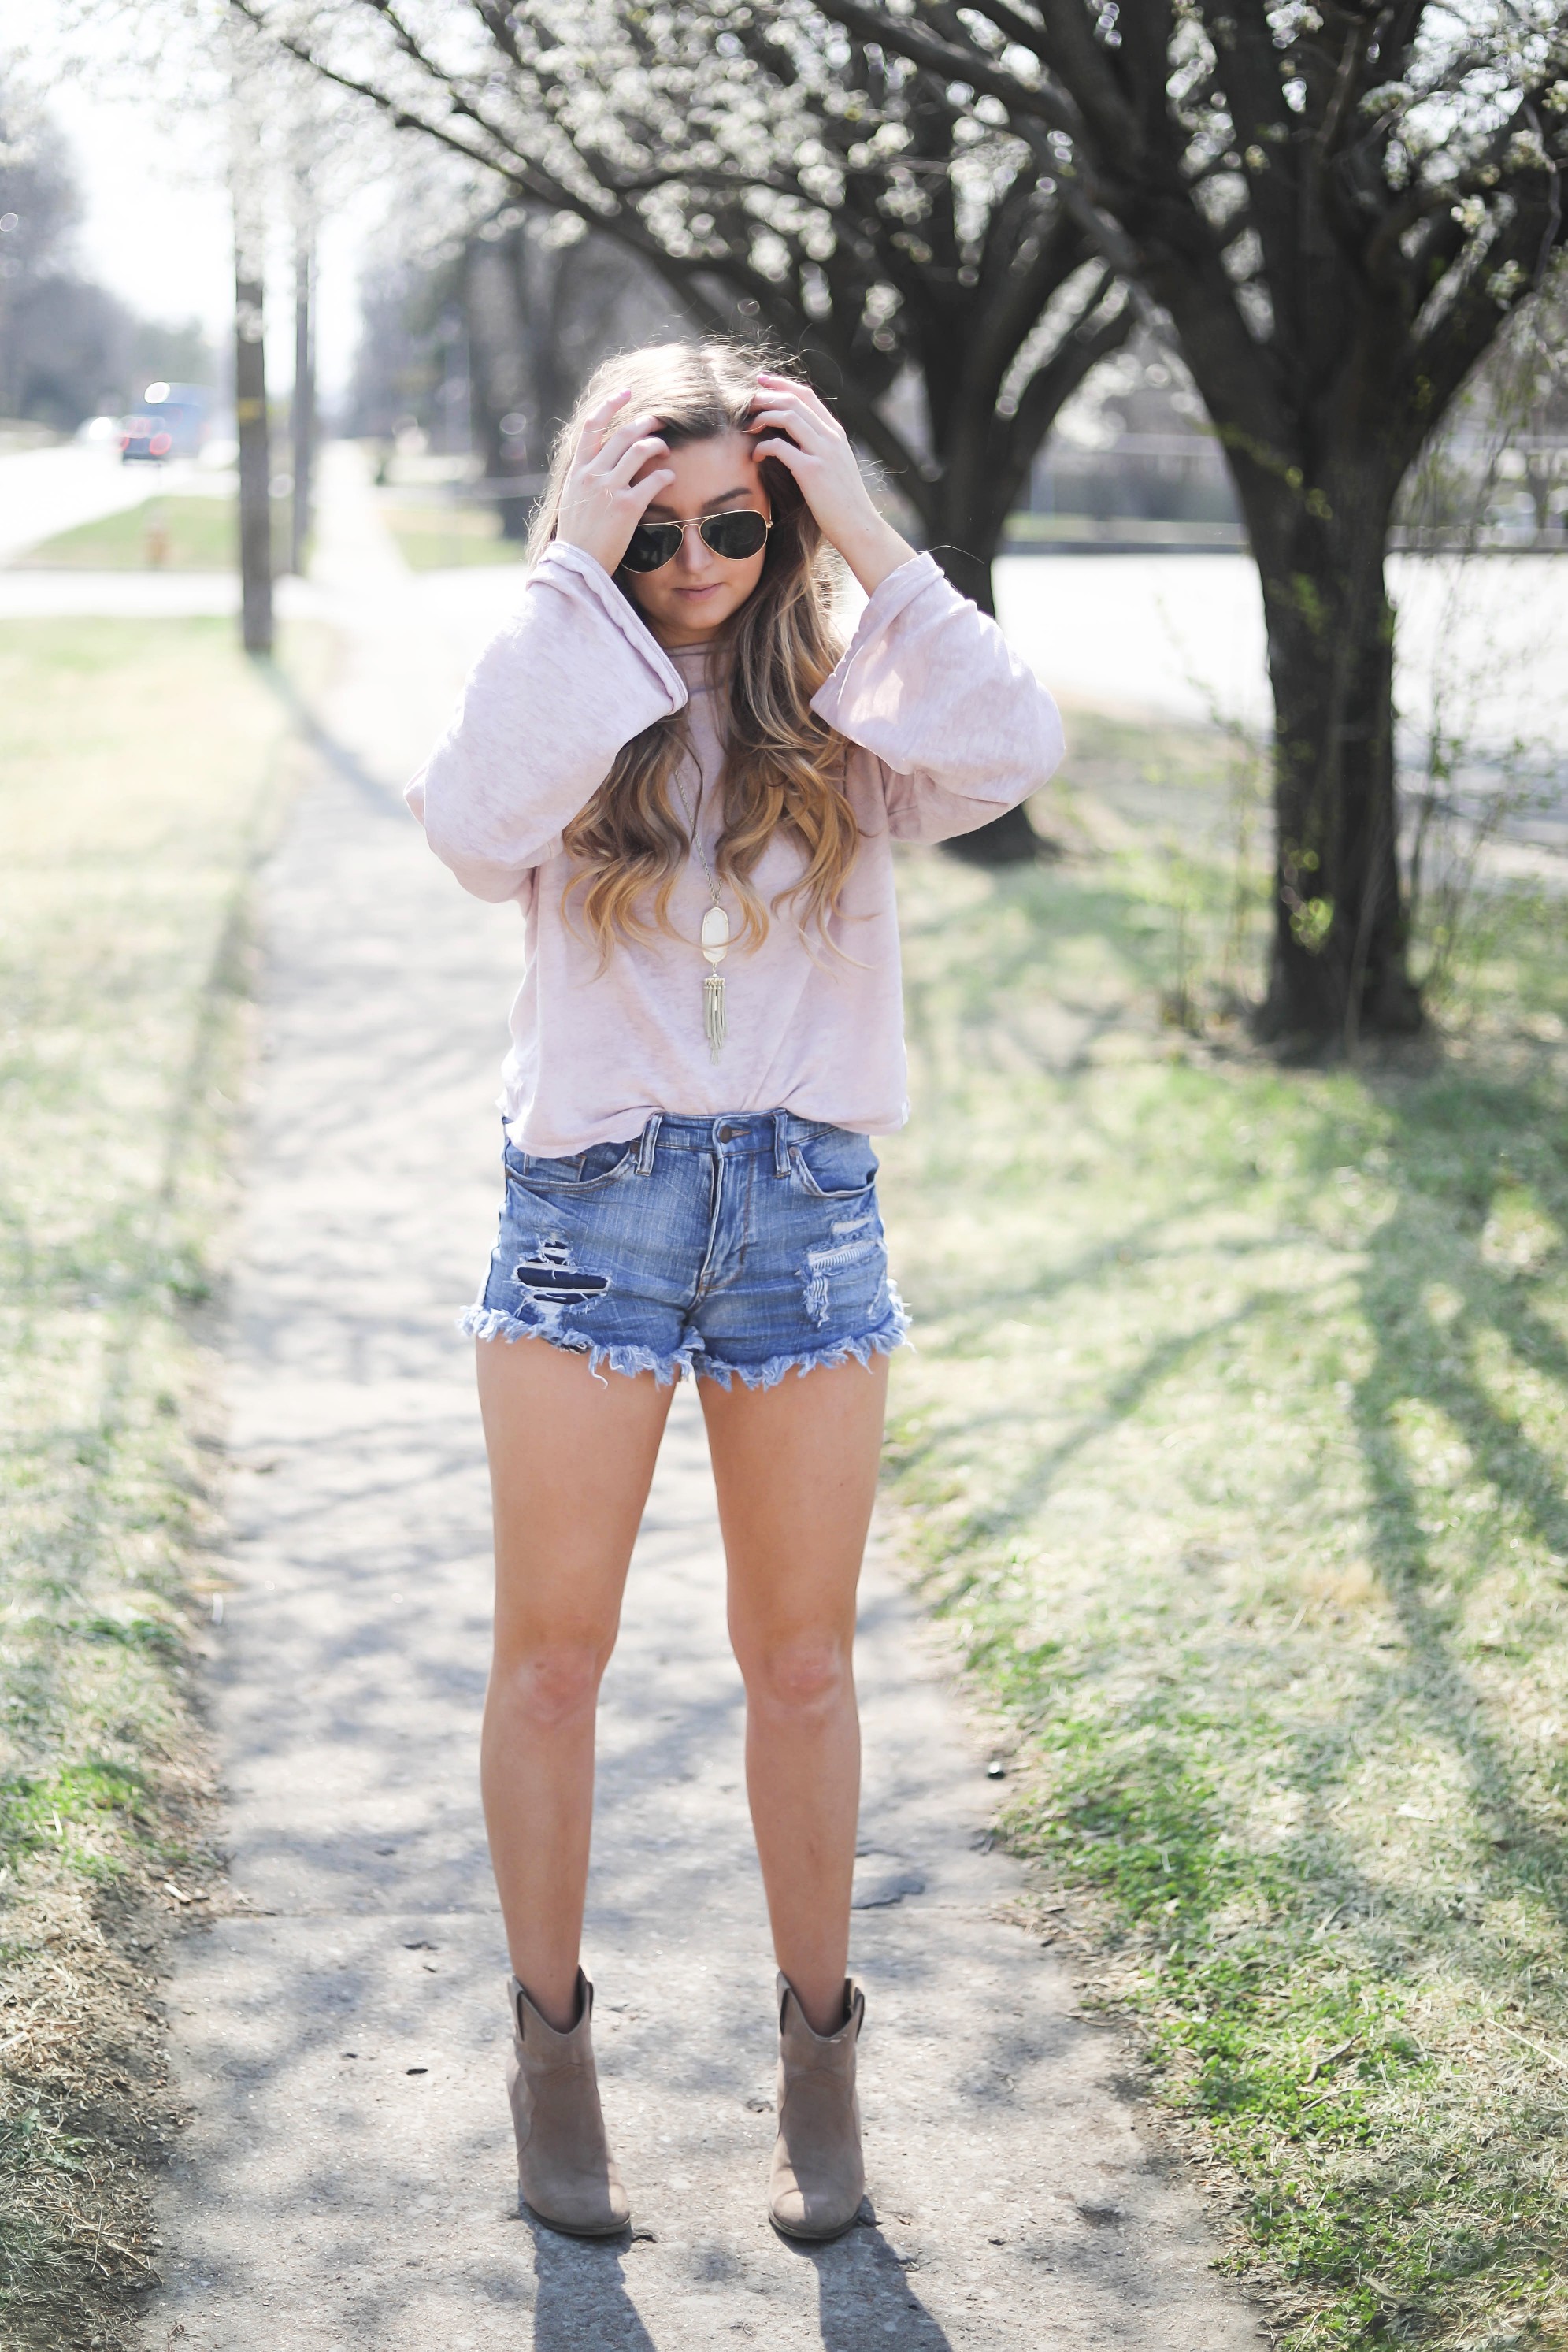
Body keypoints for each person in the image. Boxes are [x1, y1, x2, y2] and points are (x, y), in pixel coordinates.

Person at [407, 339, 1063, 2243]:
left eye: (736, 523)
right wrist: (571, 583)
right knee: (551, 1661)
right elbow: (465, 832)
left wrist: (859, 518)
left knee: (800, 1661)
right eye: (658, 525)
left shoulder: (851, 714)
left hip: (801, 1208)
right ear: (602, 525)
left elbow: (1014, 744)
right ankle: (552, 2057)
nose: (698, 561)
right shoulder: (559, 681)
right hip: (584, 1214)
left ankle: (819, 2061)